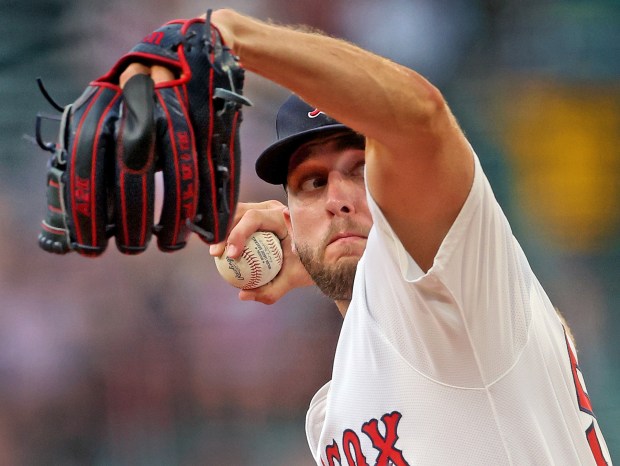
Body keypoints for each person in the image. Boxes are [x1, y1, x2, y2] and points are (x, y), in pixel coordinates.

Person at [120, 9, 612, 465]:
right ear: (290, 216)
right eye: (312, 183)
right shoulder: (331, 411)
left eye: (361, 170)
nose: (337, 197)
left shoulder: (458, 288)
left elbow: (420, 114)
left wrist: (228, 32)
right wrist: (327, 261)